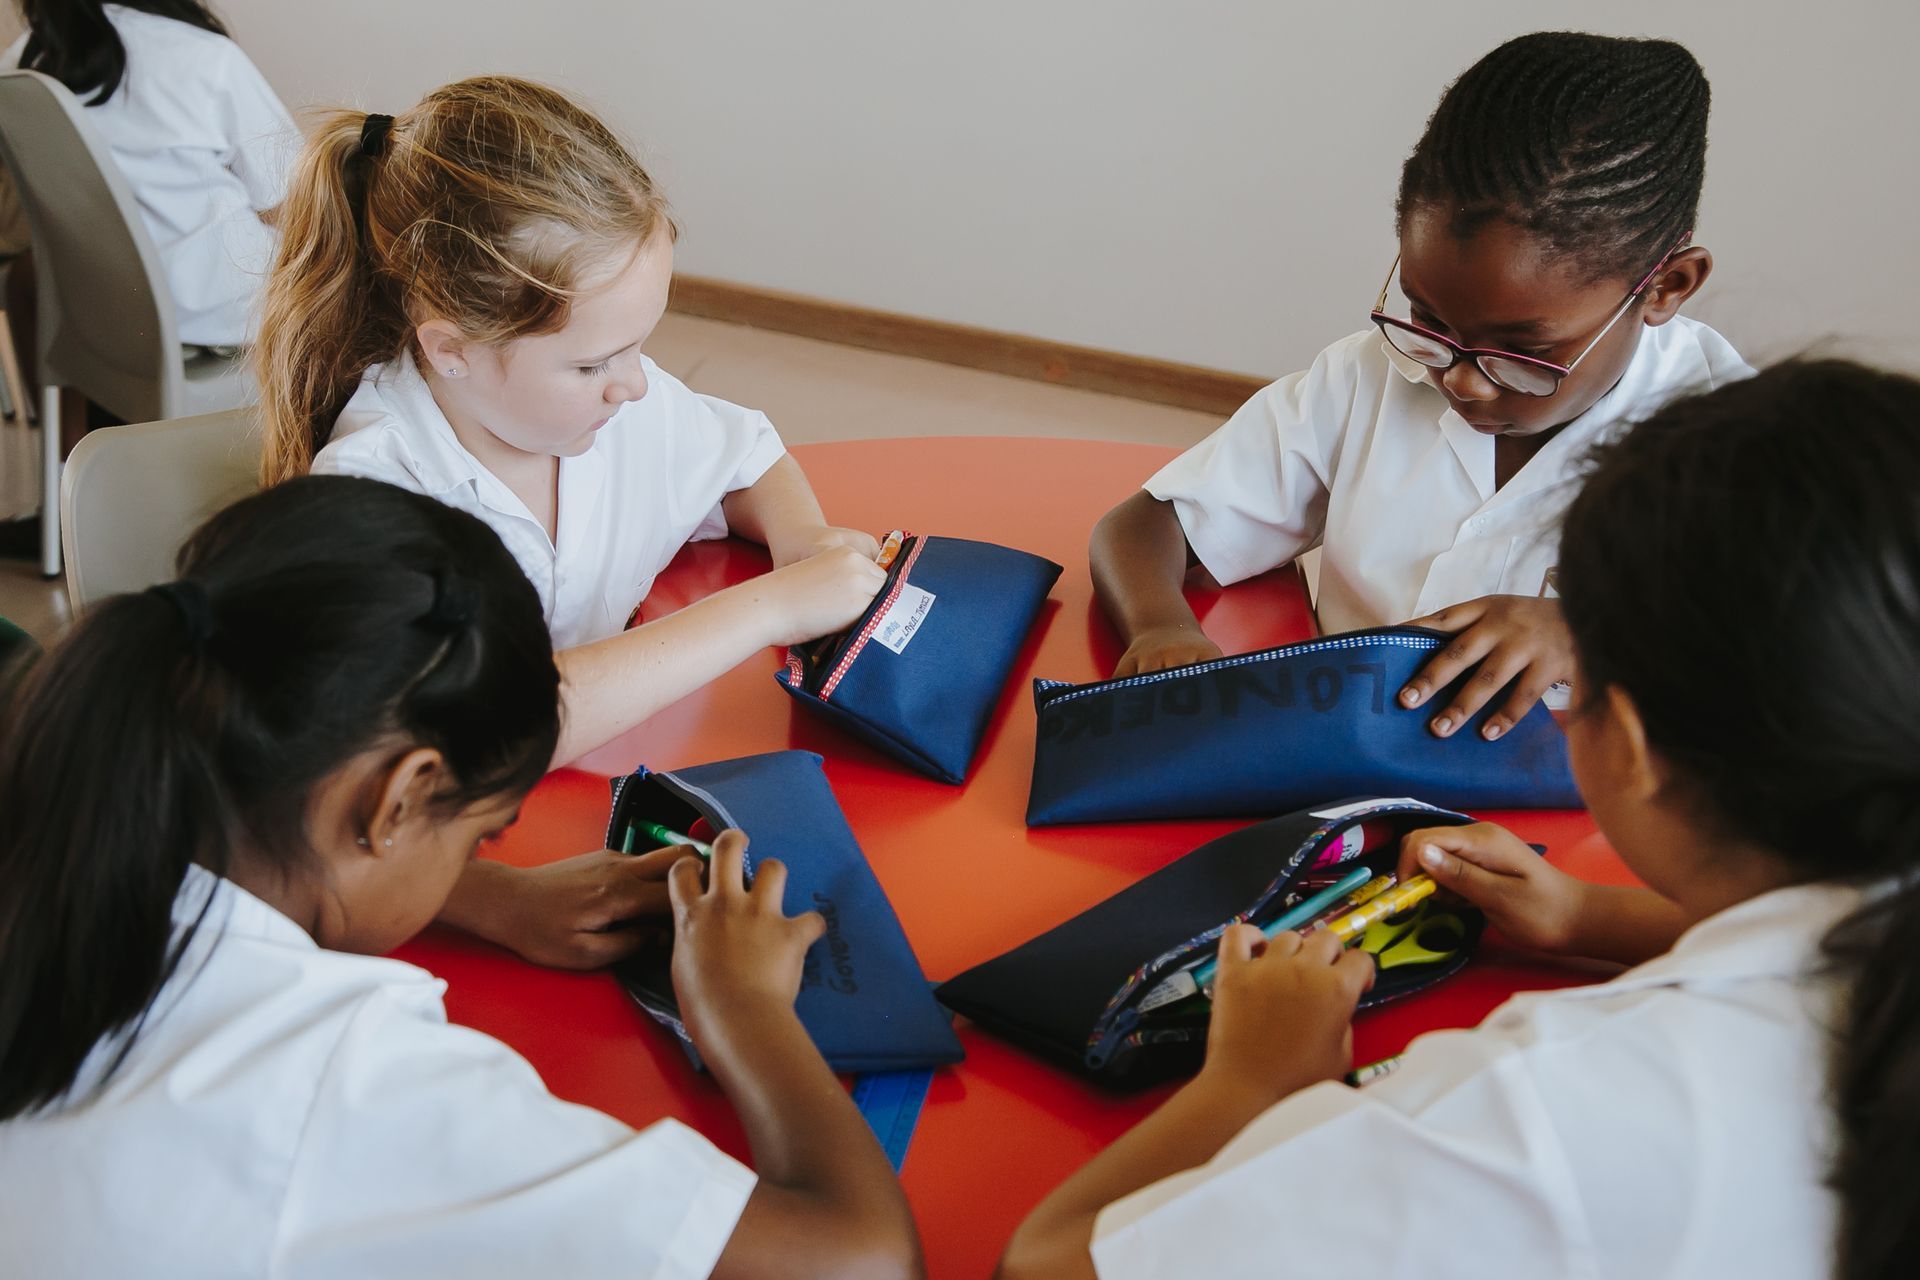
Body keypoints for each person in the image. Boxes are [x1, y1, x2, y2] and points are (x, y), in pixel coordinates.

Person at [1001, 359, 1920, 1278]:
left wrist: (1255, 1083)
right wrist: (1590, 916)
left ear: (1630, 743)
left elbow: (1046, 1266)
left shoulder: (1532, 1115)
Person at [0, 475, 923, 1280]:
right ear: (398, 801)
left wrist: (487, 897)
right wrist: (743, 1011)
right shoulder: (342, 1089)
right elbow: (858, 1262)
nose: (481, 858)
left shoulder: (59, 795)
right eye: (482, 835)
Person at [254, 77, 888, 968]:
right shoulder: (377, 493)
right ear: (451, 350)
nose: (634, 384)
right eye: (595, 362)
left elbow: (746, 457)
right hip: (415, 889)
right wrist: (772, 607)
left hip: (585, 798)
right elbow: (451, 757)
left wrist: (804, 539)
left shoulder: (607, 403)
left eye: (641, 345)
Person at [1089, 32, 1747, 744]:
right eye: (1427, 319)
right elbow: (1147, 525)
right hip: (1341, 767)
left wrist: (1587, 636)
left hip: (1582, 823)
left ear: (1666, 287)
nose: (1462, 379)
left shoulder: (1739, 449)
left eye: (1525, 354)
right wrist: (1162, 627)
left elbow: (1784, 670)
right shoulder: (1367, 380)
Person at [3, 0, 296, 348]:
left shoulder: (21, 68)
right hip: (220, 310)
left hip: (96, 307)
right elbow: (291, 200)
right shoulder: (206, 56)